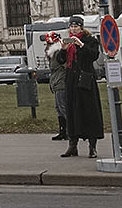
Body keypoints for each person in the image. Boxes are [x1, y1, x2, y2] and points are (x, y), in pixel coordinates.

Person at [58, 18, 104, 159]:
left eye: (76, 27)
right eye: (71, 27)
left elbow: (93, 56)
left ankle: (92, 146)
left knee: (90, 111)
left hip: (85, 79)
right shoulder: (68, 41)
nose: (73, 29)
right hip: (71, 80)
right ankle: (72, 145)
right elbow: (60, 60)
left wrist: (81, 45)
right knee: (72, 111)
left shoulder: (90, 40)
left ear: (82, 28)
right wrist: (63, 50)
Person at [45, 33, 69, 141]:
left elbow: (62, 66)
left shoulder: (57, 53)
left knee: (62, 107)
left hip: (61, 82)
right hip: (57, 82)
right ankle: (63, 131)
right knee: (59, 108)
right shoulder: (53, 54)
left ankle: (69, 131)